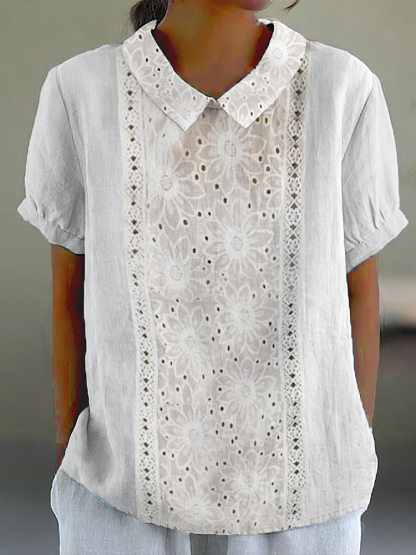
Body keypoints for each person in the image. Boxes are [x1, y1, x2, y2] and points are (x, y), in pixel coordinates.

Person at [16, 0, 409, 553]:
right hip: (121, 498)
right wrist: (73, 463)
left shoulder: (343, 89)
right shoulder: (81, 92)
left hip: (306, 508)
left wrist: (345, 449)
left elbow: (357, 293)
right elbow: (70, 297)